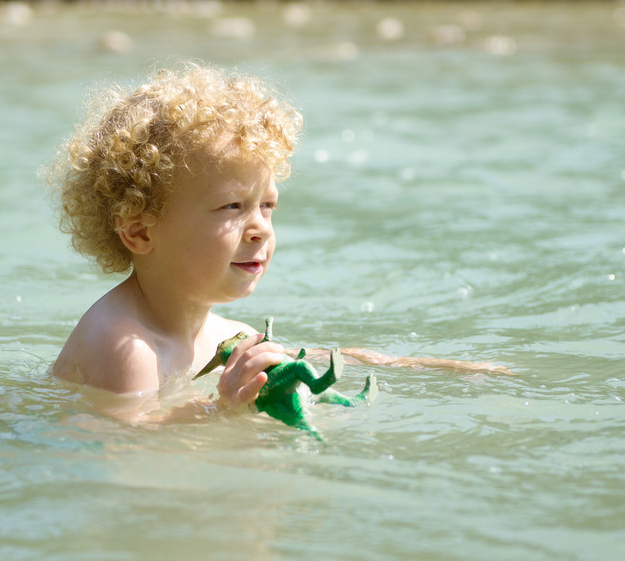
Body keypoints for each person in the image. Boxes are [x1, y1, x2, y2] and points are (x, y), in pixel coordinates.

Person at [46, 63, 501, 423]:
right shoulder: (125, 346)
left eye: (267, 206)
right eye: (231, 207)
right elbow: (128, 452)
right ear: (141, 231)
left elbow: (314, 354)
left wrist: (428, 367)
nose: (259, 228)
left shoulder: (222, 333)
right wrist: (221, 409)